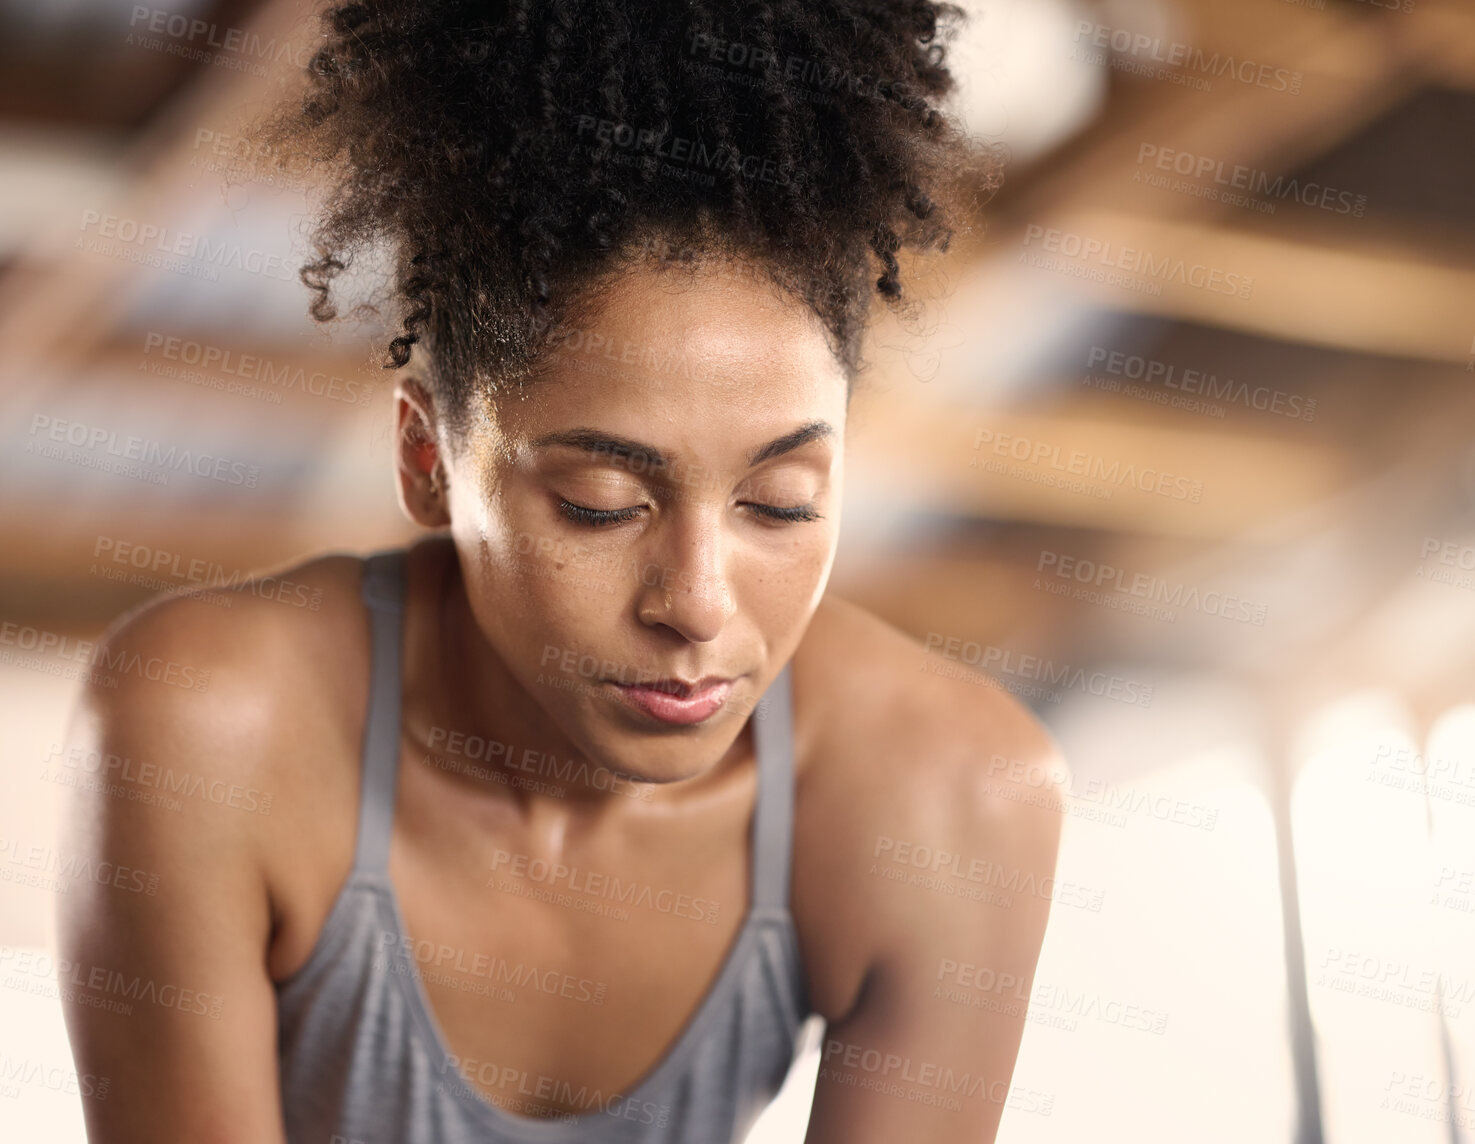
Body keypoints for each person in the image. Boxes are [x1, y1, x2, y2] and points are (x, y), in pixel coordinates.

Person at [58, 1, 1068, 1141]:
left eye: (780, 503)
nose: (696, 602)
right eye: (600, 506)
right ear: (428, 459)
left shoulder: (951, 797)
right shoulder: (210, 724)